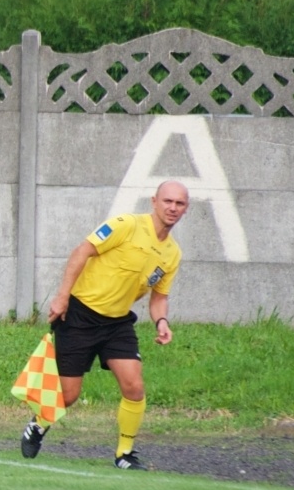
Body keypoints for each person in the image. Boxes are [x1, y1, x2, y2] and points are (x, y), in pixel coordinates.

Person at [22, 180, 190, 469]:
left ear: (186, 209)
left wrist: (161, 321)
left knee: (134, 386)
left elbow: (159, 297)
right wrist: (62, 297)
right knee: (68, 395)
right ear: (154, 201)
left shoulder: (172, 253)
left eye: (179, 203)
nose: (173, 208)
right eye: (168, 201)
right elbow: (82, 251)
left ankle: (124, 454)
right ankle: (38, 425)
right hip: (79, 316)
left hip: (117, 323)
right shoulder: (126, 225)